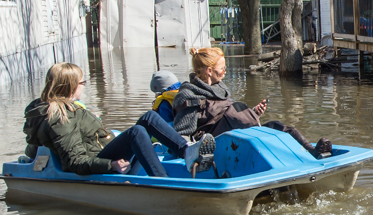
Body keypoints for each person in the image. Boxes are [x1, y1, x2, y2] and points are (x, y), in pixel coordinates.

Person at [24, 63, 216, 178]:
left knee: (149, 118)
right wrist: (111, 165)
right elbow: (75, 161)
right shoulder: (61, 116)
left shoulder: (67, 109)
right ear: (71, 86)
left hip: (100, 153)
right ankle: (164, 182)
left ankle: (186, 150)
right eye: (82, 83)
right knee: (136, 132)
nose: (84, 86)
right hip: (99, 164)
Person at [174, 47, 334, 157]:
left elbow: (228, 115)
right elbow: (183, 134)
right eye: (222, 68)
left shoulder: (218, 89)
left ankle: (313, 152)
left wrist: (253, 113)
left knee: (279, 127)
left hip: (243, 134)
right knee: (268, 136)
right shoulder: (189, 95)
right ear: (209, 71)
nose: (225, 71)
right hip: (223, 144)